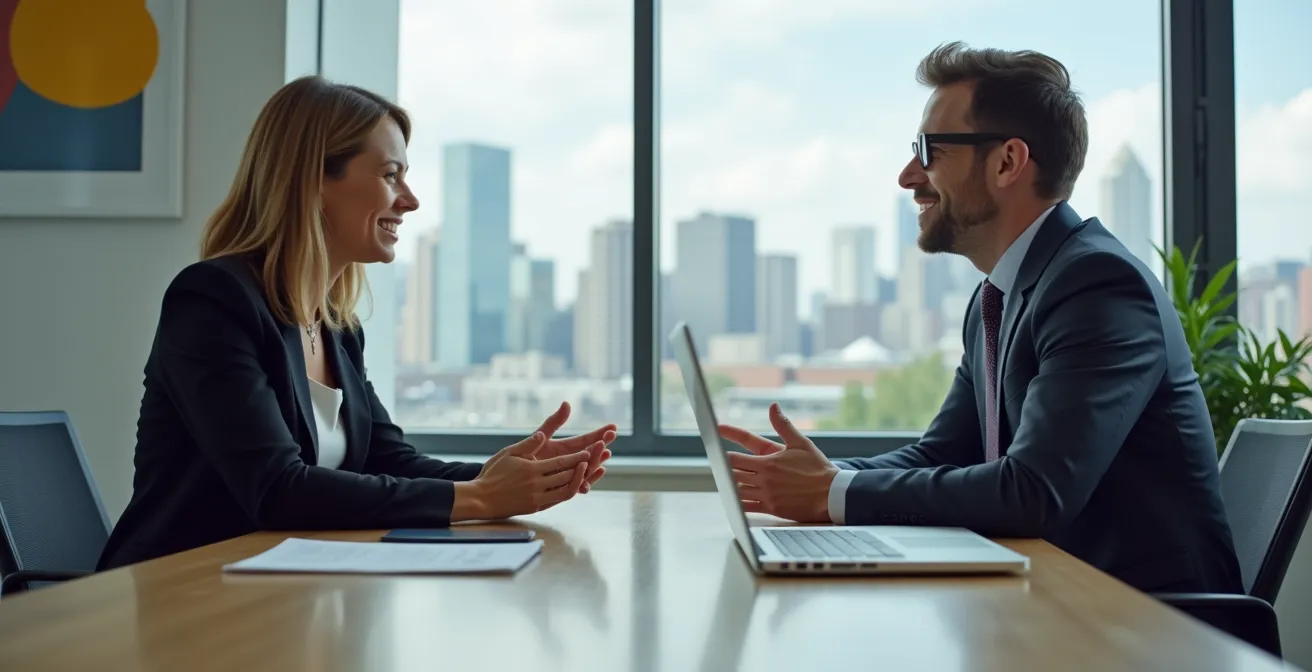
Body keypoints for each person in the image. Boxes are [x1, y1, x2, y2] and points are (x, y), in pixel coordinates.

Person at [718, 42, 1243, 594]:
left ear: (1007, 162)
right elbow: (943, 453)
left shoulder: (1098, 285)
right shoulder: (999, 295)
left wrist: (830, 493)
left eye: (929, 151)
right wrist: (821, 476)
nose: (907, 176)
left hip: (1150, 620)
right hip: (1053, 600)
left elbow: (1033, 492)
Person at [97, 76, 615, 570]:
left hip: (279, 588)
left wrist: (511, 475)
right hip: (180, 590)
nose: (410, 200)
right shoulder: (212, 301)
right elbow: (276, 489)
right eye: (390, 175)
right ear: (314, 180)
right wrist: (480, 497)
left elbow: (387, 461)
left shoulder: (337, 328)